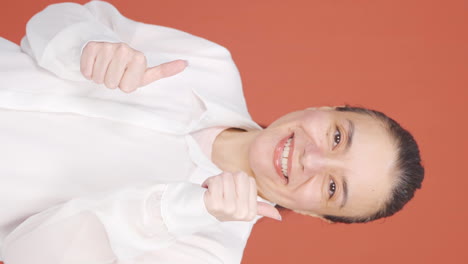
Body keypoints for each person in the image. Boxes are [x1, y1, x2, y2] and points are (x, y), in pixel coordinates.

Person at [0, 1, 424, 263]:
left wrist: (171, 214)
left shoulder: (208, 250)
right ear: (324, 108)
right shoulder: (210, 63)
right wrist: (85, 46)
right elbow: (58, 18)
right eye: (336, 137)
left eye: (332, 187)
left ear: (316, 215)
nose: (310, 158)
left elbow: (22, 257)